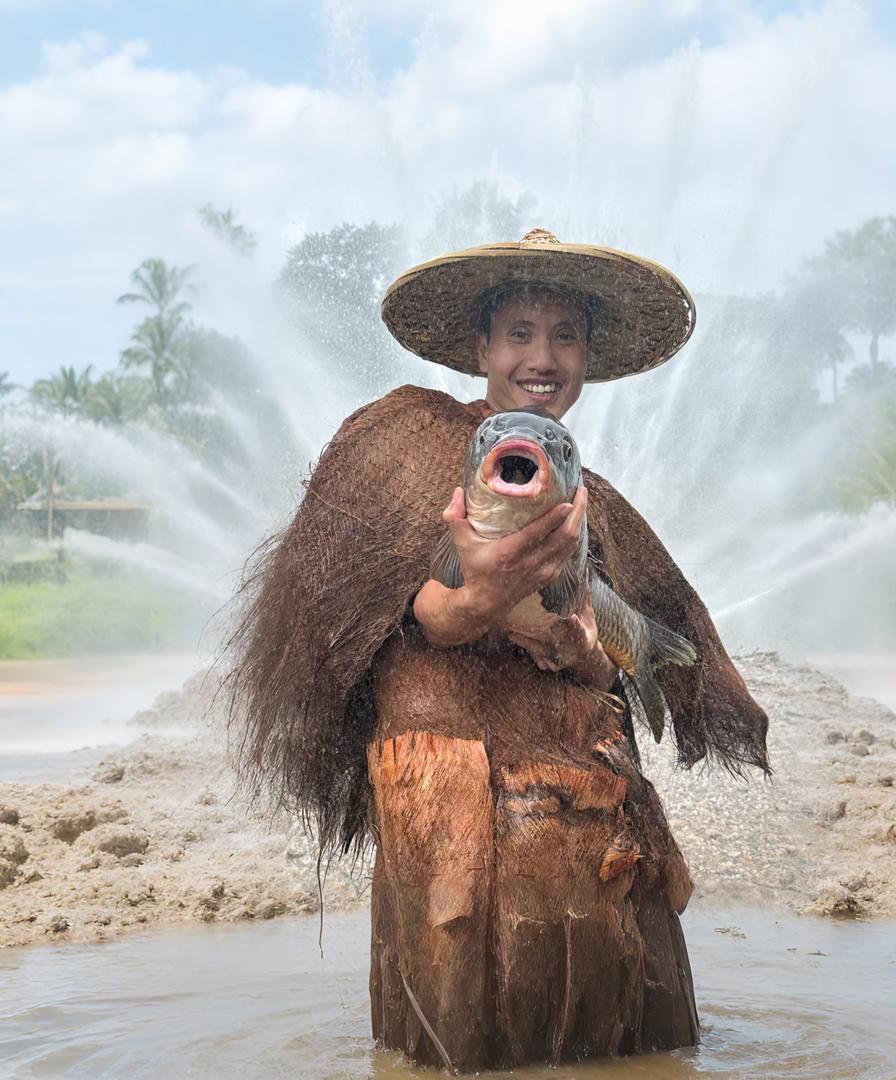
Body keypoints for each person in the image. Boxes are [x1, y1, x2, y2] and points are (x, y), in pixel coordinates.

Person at [228, 228, 769, 1072]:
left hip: (598, 836)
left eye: (565, 336)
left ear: (588, 355)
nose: (541, 357)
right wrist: (473, 597)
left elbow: (631, 664)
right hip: (454, 821)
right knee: (455, 1045)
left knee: (635, 1048)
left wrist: (590, 656)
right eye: (519, 332)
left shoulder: (598, 502)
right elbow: (383, 612)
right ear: (481, 346)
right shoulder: (400, 439)